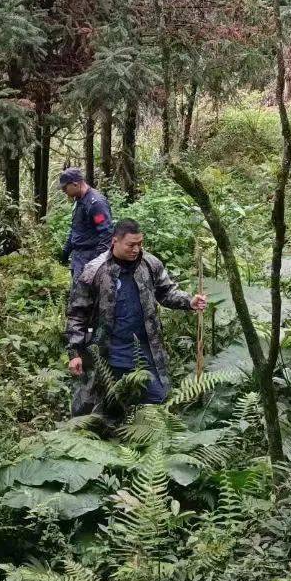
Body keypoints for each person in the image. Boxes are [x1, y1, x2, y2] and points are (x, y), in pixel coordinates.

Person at [66, 219, 207, 418]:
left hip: (146, 351)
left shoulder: (150, 264)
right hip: (109, 352)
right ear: (115, 241)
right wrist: (74, 352)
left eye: (140, 244)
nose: (136, 249)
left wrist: (189, 301)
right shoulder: (94, 270)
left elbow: (166, 292)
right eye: (131, 245)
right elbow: (77, 313)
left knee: (158, 404)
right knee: (102, 412)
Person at [57, 167, 113, 281]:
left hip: (90, 257)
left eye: (65, 187)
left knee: (84, 291)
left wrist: (97, 262)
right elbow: (76, 228)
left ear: (75, 184)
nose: (63, 191)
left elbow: (106, 233)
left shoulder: (96, 203)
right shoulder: (78, 200)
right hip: (78, 257)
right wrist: (66, 251)